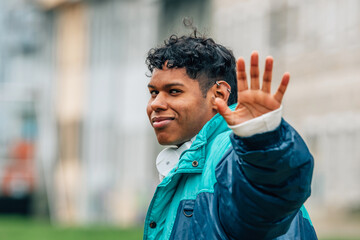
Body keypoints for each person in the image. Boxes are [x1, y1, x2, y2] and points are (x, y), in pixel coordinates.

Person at [144, 32, 317, 239]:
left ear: (219, 95)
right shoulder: (188, 162)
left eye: (173, 91)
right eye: (154, 92)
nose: (155, 103)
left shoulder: (229, 151)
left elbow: (269, 191)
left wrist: (261, 139)